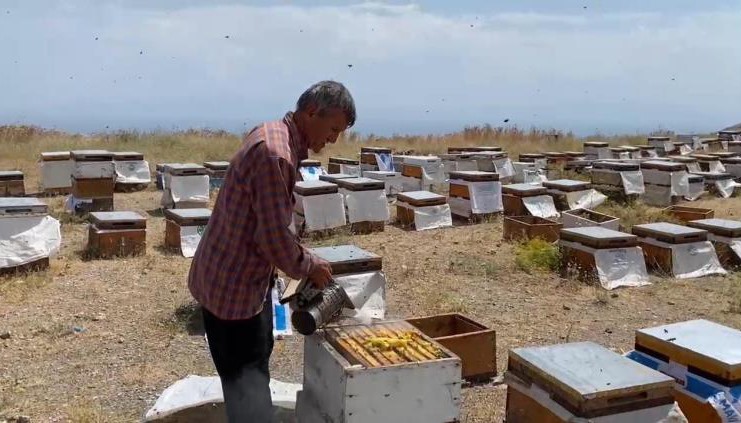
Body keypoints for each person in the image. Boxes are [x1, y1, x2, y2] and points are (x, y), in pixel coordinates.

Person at [188, 80, 356, 422]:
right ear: (311, 113)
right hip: (232, 292)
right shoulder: (275, 154)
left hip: (236, 280)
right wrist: (310, 265)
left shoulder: (273, 134)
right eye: (333, 128)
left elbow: (269, 220)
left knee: (250, 377)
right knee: (246, 392)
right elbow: (274, 240)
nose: (334, 140)